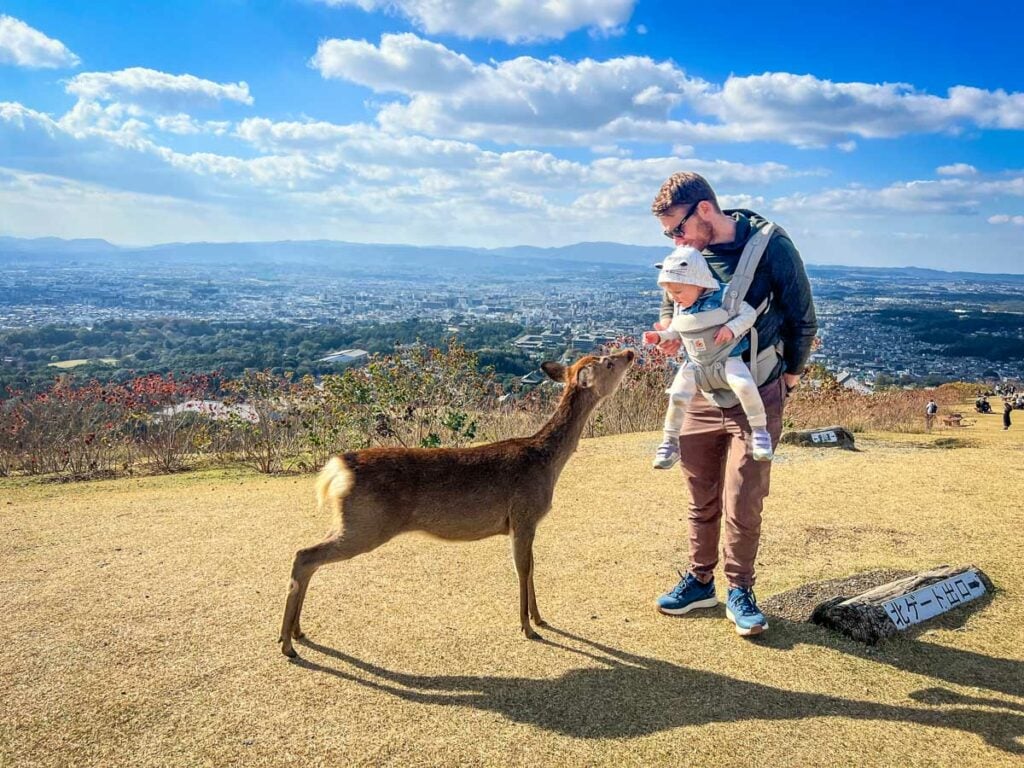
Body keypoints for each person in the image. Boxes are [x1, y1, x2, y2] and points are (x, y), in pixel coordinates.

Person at [650, 171, 817, 638]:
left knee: (744, 496)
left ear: (705, 209)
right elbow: (672, 301)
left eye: (677, 228)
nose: (675, 239)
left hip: (756, 388)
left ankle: (740, 588)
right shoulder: (689, 253)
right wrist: (668, 331)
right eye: (668, 234)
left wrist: (789, 376)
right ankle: (700, 580)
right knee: (699, 494)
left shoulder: (770, 246)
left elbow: (802, 316)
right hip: (702, 388)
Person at [643, 247, 774, 463]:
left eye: (678, 291)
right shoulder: (682, 306)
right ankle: (670, 441)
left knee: (744, 385)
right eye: (671, 293)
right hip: (695, 362)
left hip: (727, 356)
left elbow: (748, 314)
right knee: (677, 395)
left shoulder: (725, 296)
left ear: (698, 282)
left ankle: (760, 431)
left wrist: (732, 328)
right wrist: (658, 337)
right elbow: (676, 330)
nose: (674, 299)